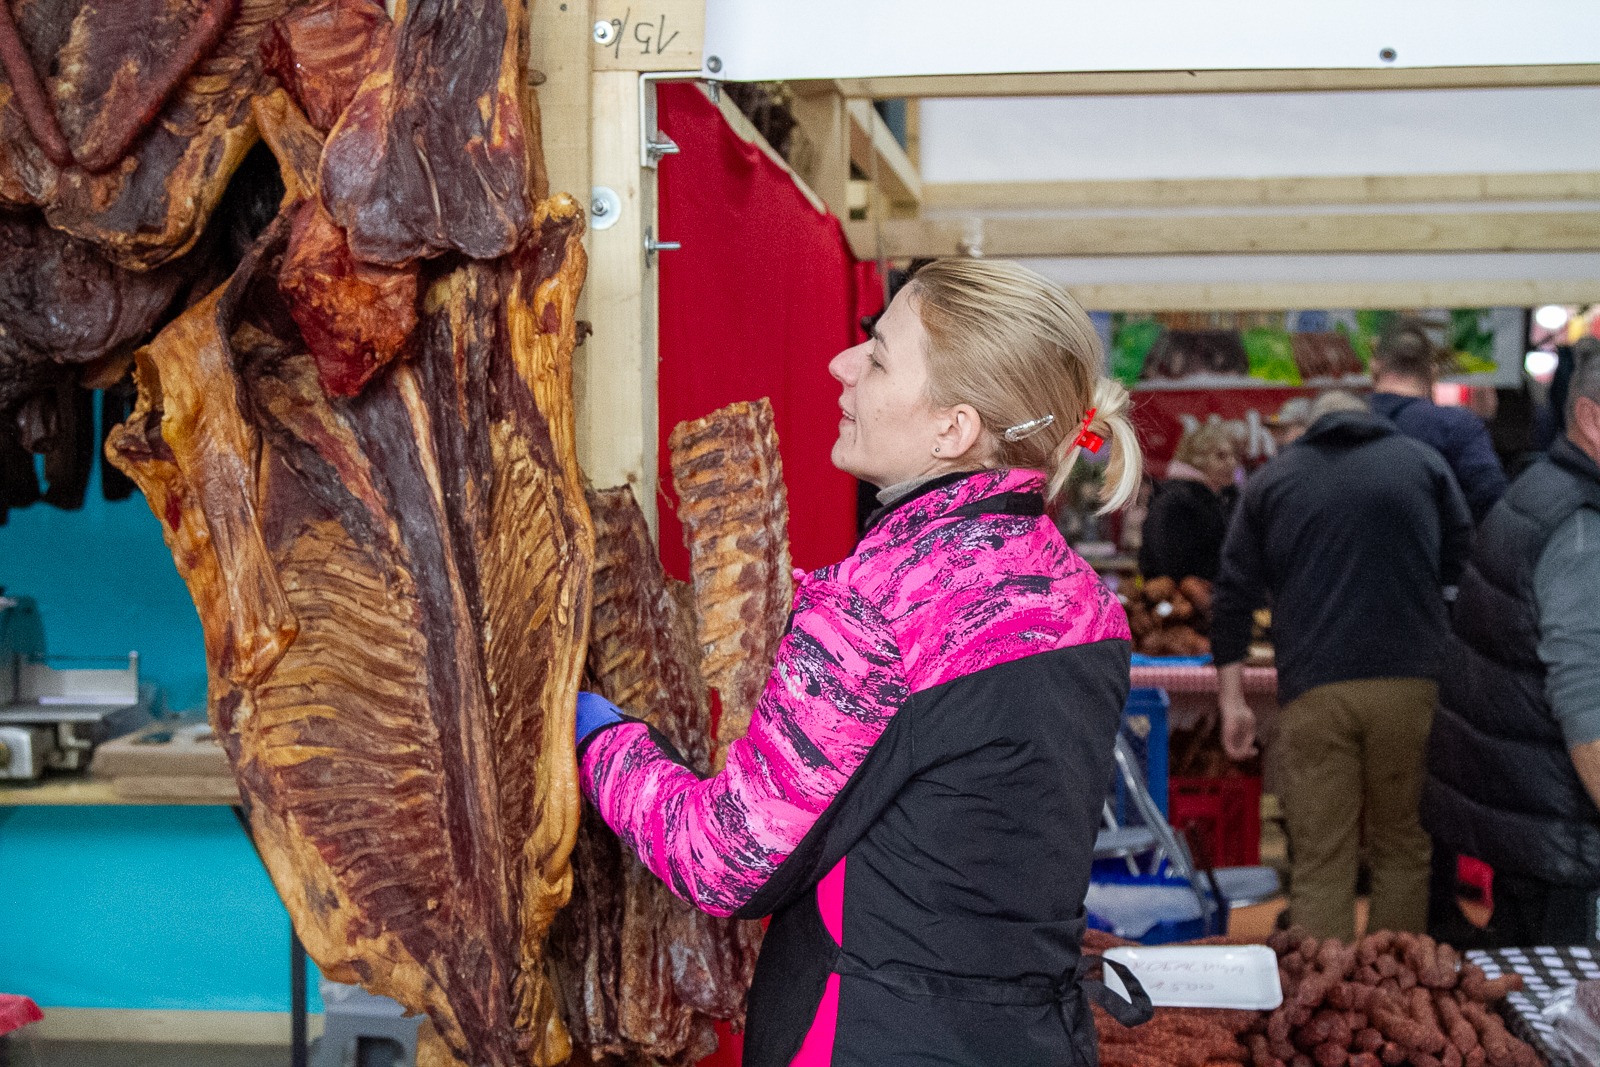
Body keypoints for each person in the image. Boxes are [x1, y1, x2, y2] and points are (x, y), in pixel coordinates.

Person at [574, 259, 1153, 1065]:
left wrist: (602, 741)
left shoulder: (877, 608)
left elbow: (723, 859)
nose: (842, 366)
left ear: (953, 428)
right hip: (1032, 1039)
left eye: (878, 356)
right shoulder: (1082, 598)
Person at [1214, 390, 1472, 941]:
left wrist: (1231, 699)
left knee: (1320, 854)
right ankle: (1393, 990)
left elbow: (1232, 596)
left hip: (1314, 689)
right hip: (1412, 684)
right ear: (1369, 421)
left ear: (1312, 425)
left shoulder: (1275, 480)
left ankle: (1326, 1000)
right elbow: (1463, 570)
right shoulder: (1424, 464)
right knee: (1402, 845)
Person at [1422, 341, 1600, 946]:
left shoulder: (1539, 492)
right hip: (1563, 848)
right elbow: (1590, 711)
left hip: (1526, 831)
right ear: (1591, 420)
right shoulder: (1580, 530)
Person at [1369, 318, 1507, 522]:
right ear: (1433, 372)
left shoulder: (1342, 424)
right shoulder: (1457, 426)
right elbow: (1491, 497)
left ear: (1374, 368)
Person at [1137, 421, 1239, 581]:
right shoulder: (1179, 500)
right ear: (1197, 459)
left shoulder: (1215, 498)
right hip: (1185, 599)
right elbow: (1169, 562)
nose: (1232, 463)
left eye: (1234, 456)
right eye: (1221, 456)